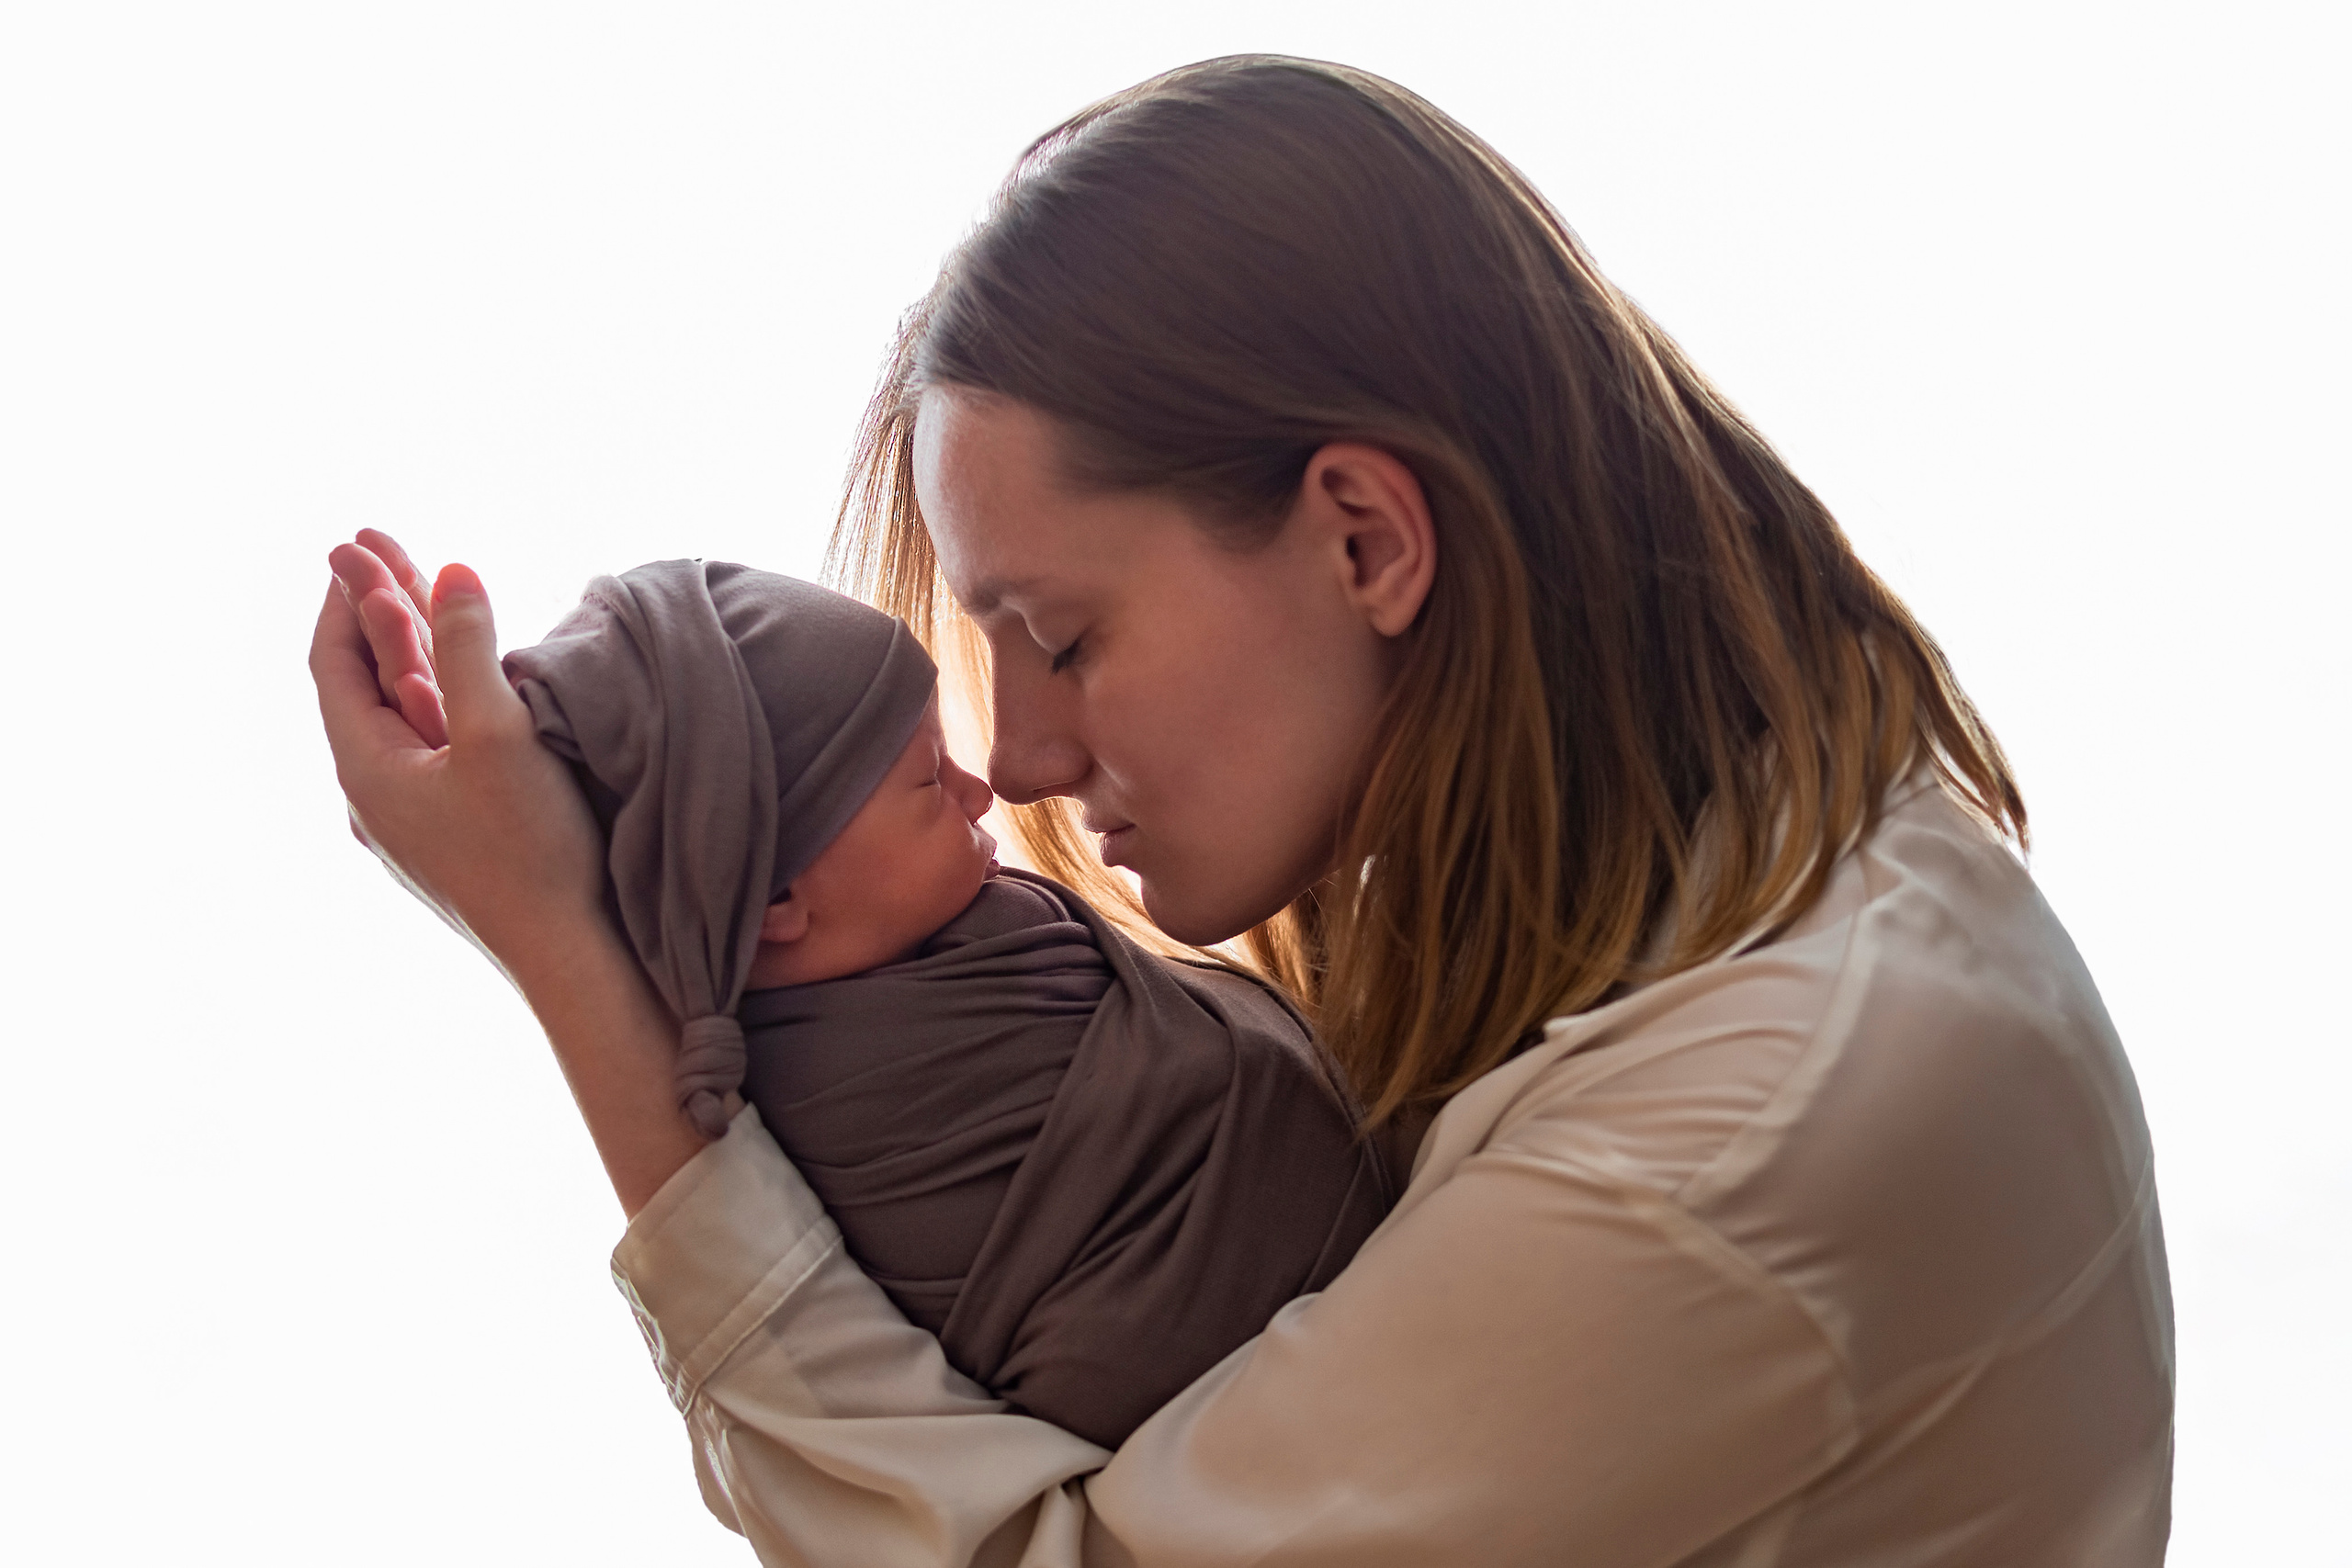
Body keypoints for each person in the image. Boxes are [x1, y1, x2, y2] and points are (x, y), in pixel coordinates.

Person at [312, 53, 2173, 1567]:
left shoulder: (1735, 1134)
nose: (1015, 756)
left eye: (1060, 638)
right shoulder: (1696, 863)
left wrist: (578, 958)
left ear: (1364, 536)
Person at [479, 555, 1387, 1450]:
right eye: (928, 779)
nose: (980, 790)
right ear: (772, 902)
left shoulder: (967, 943)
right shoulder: (828, 1110)